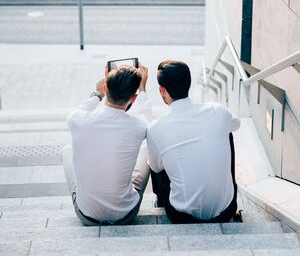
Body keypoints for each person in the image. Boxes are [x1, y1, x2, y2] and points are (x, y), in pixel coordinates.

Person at [147, 59, 241, 224]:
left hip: (182, 217)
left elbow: (156, 168)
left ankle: (161, 202)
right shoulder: (217, 110)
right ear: (188, 83)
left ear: (162, 90)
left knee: (157, 156)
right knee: (227, 132)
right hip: (226, 211)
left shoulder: (156, 128)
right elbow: (237, 124)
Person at [62, 64, 152, 226]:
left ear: (105, 88)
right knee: (147, 151)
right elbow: (147, 118)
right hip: (126, 214)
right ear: (133, 98)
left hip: (86, 215)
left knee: (67, 151)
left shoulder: (77, 120)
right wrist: (142, 89)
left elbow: (80, 110)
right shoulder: (138, 127)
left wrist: (97, 94)